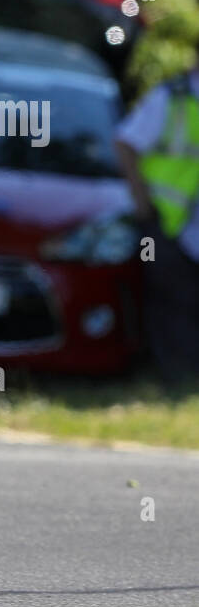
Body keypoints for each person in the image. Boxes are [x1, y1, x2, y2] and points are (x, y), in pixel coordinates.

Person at [114, 60, 199, 381]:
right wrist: (143, 205)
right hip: (165, 224)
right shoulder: (170, 97)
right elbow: (125, 143)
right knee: (172, 298)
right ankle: (178, 379)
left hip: (191, 226)